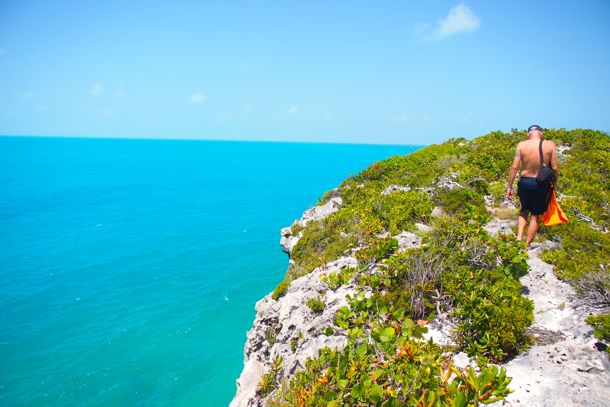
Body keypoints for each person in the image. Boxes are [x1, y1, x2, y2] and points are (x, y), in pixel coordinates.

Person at [506, 125, 559, 249]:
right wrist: (554, 187)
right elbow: (555, 168)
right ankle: (526, 246)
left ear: (528, 134)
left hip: (525, 182)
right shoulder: (550, 145)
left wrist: (509, 187)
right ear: (541, 133)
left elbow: (514, 168)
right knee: (535, 216)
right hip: (542, 184)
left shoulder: (521, 145)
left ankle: (519, 238)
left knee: (524, 210)